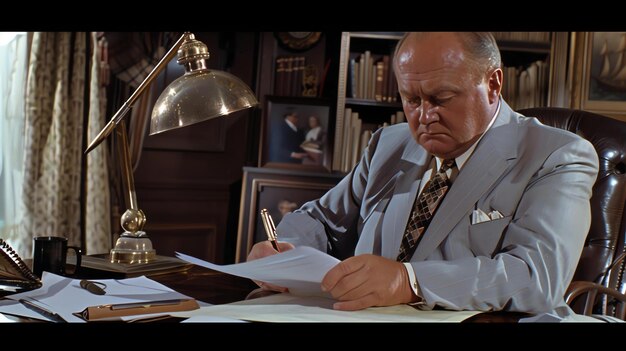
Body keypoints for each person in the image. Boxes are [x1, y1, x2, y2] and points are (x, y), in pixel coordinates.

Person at [248, 32, 599, 317]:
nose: (424, 115)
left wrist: (408, 281)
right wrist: (288, 252)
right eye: (411, 99)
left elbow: (537, 278)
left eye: (441, 97)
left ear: (493, 84)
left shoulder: (557, 156)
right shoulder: (389, 143)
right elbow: (321, 220)